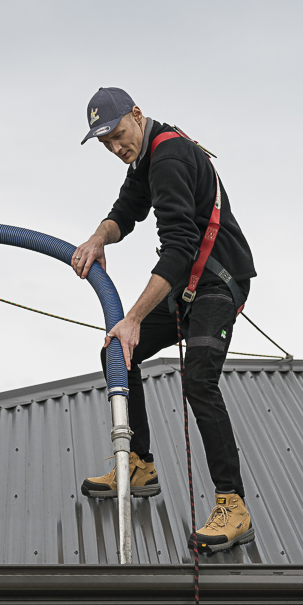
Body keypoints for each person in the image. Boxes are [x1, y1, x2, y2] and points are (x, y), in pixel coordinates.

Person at [70, 87, 258, 553]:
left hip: (217, 282)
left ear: (137, 115)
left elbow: (179, 249)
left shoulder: (170, 156)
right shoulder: (144, 160)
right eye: (106, 144)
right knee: (118, 350)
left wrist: (133, 316)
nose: (116, 148)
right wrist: (98, 239)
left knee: (198, 381)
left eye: (118, 136)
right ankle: (139, 464)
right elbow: (125, 213)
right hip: (189, 283)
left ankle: (233, 505)